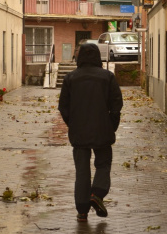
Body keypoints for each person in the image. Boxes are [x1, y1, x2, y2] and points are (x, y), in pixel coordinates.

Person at [58, 43, 123, 222]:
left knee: (82, 171)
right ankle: (97, 193)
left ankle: (82, 211)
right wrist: (111, 126)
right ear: (97, 57)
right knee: (103, 164)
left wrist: (72, 123)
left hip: (79, 132)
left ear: (79, 58)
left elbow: (63, 106)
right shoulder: (107, 77)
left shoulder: (71, 78)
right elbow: (116, 105)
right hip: (103, 130)